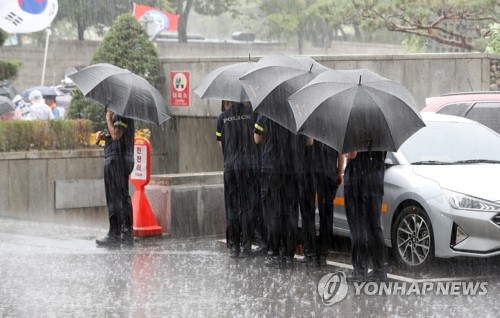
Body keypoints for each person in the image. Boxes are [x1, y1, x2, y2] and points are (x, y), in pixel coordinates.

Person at [216, 100, 261, 258]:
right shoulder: (253, 115)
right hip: (250, 167)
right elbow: (258, 139)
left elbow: (221, 145)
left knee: (232, 207)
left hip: (230, 167)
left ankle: (234, 246)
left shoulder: (222, 117)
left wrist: (230, 158)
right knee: (248, 207)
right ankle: (246, 245)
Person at [344, 150, 388, 282]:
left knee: (357, 226)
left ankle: (360, 270)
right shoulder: (381, 132)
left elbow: (352, 154)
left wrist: (347, 152)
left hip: (356, 182)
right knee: (374, 226)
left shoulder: (355, 130)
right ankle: (380, 269)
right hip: (375, 182)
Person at [300, 141, 344, 266]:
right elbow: (340, 148)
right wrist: (339, 171)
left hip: (309, 170)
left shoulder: (309, 121)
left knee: (308, 211)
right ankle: (322, 254)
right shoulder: (335, 123)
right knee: (326, 214)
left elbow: (308, 142)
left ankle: (310, 253)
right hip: (329, 171)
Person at [95, 110, 135, 246]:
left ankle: (114, 234)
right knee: (123, 196)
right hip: (122, 158)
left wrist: (108, 118)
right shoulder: (124, 112)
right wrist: (103, 137)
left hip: (116, 159)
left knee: (114, 197)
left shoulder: (120, 113)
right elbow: (114, 136)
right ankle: (127, 231)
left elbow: (116, 135)